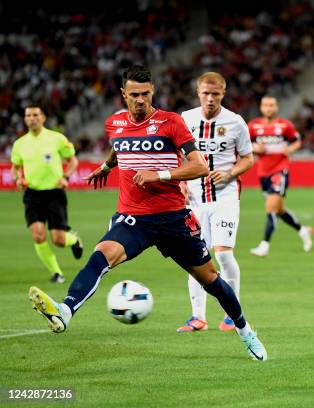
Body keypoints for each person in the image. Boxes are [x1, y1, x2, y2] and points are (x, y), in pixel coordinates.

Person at [28, 65, 267, 361]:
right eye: (134, 95)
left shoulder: (171, 122)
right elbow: (120, 147)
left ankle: (246, 331)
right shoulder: (114, 123)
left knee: (211, 280)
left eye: (145, 94)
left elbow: (200, 166)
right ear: (123, 95)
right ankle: (65, 311)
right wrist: (107, 166)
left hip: (172, 218)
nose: (140, 100)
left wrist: (160, 174)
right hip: (133, 218)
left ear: (152, 92)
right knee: (100, 256)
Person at [176, 72, 254, 333]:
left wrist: (231, 172)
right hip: (195, 199)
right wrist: (182, 181)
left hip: (225, 197)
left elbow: (247, 158)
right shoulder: (185, 119)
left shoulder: (235, 122)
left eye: (215, 94)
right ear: (198, 93)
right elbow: (177, 155)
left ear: (223, 93)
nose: (210, 99)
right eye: (206, 94)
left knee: (222, 252)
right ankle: (198, 317)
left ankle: (233, 312)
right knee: (194, 257)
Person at [11, 105, 84, 284]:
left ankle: (73, 239)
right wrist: (18, 179)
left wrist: (66, 176)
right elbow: (15, 167)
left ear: (43, 118)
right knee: (38, 235)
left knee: (58, 240)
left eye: (36, 115)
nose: (32, 118)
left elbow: (73, 160)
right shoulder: (19, 144)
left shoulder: (57, 138)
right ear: (25, 119)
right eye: (28, 115)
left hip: (54, 193)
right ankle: (57, 273)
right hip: (32, 194)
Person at [248, 96, 313, 257]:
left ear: (276, 107)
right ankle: (303, 230)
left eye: (271, 105)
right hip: (263, 172)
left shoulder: (285, 125)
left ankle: (264, 245)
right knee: (279, 210)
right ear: (261, 107)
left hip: (280, 170)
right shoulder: (253, 126)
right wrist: (256, 149)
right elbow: (244, 145)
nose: (268, 108)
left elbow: (297, 141)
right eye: (265, 105)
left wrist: (290, 150)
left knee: (271, 207)